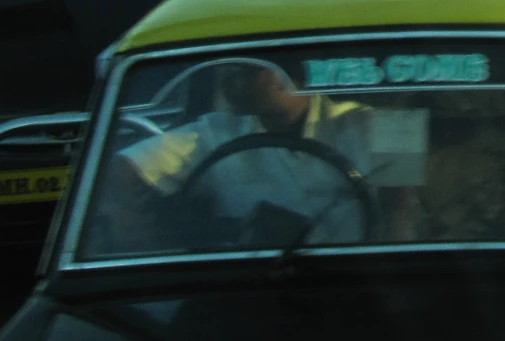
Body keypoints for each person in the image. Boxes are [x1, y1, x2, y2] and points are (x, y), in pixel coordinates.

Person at [97, 62, 402, 252]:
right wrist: (132, 218)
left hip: (354, 282)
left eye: (247, 69)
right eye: (228, 71)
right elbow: (121, 167)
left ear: (291, 75)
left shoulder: (382, 125)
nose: (231, 81)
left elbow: (404, 217)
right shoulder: (215, 131)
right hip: (253, 287)